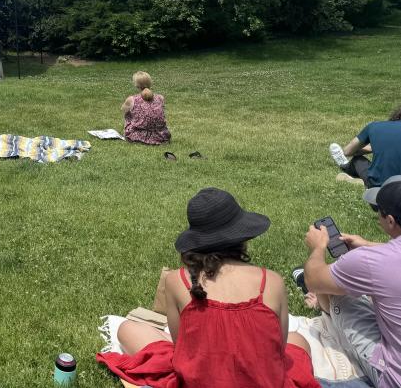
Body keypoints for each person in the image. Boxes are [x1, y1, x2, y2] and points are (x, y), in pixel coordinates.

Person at [98, 187, 318, 388]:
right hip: (260, 381)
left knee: (127, 329)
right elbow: (277, 351)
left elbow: (181, 348)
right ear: (242, 235)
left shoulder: (177, 281)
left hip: (200, 380)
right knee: (297, 341)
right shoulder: (271, 281)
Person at [302, 176, 401, 387]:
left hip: (394, 377)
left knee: (339, 296)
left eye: (379, 212)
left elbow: (314, 280)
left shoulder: (372, 261)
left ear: (390, 221)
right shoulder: (379, 256)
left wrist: (318, 247)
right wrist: (366, 244)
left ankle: (323, 307)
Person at [330, 107, 401, 189]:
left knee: (358, 160)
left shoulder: (374, 126)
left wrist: (373, 147)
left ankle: (345, 165)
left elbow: (347, 151)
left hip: (378, 185)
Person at [121, 70, 171, 145]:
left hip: (136, 136)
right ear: (150, 83)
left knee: (127, 114)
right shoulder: (160, 98)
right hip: (161, 136)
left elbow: (123, 110)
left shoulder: (131, 99)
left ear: (136, 85)